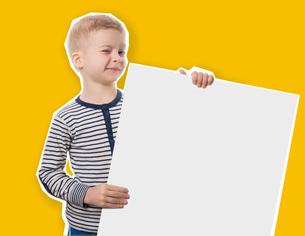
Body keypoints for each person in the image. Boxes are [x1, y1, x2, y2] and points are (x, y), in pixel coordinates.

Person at [36, 12, 215, 235]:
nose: (118, 57)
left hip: (140, 223)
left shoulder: (143, 103)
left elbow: (184, 125)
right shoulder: (65, 117)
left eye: (122, 51)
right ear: (78, 59)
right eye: (106, 50)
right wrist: (86, 193)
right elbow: (48, 172)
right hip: (87, 229)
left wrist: (192, 81)